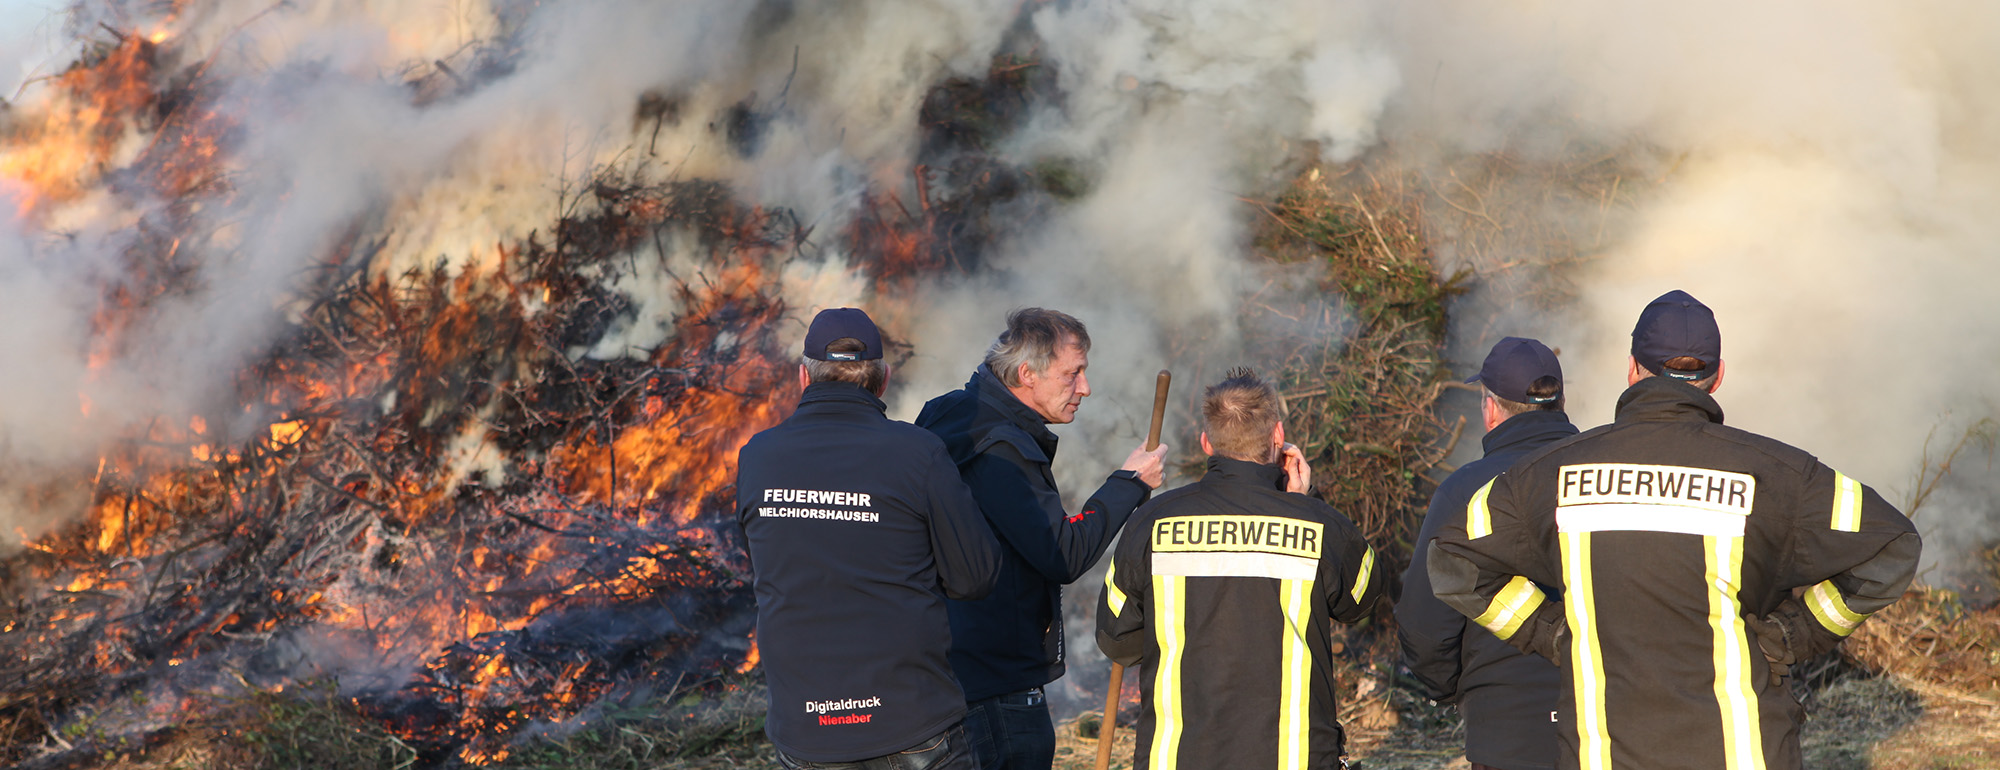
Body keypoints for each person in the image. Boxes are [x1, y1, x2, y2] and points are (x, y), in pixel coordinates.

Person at [1428, 290, 1921, 770]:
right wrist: (1797, 633)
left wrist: (1550, 633)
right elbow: (1892, 547)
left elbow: (1452, 562)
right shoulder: (1776, 474)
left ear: (1631, 369)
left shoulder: (1551, 474)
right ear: (1719, 376)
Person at [735, 307, 1002, 770]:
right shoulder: (918, 453)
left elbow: (766, 561)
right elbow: (975, 577)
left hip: (806, 734)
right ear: (883, 379)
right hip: (910, 723)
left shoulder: (756, 457)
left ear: (804, 377)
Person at [1095, 367, 1387, 770]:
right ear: (1279, 437)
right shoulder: (1319, 524)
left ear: (1206, 443)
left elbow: (1116, 639)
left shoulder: (1153, 521)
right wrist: (1306, 501)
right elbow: (1362, 600)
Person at [915, 308, 1169, 770]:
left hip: (944, 673)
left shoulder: (947, 414)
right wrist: (1129, 483)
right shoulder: (1001, 449)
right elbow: (1062, 552)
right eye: (1073, 374)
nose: (1085, 389)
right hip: (995, 687)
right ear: (1026, 374)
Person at [1399, 337, 1576, 770]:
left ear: (1490, 408)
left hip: (1506, 730)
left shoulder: (1463, 491)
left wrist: (1458, 690)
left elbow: (1424, 625)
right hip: (1606, 722)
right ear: (1561, 402)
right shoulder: (1605, 476)